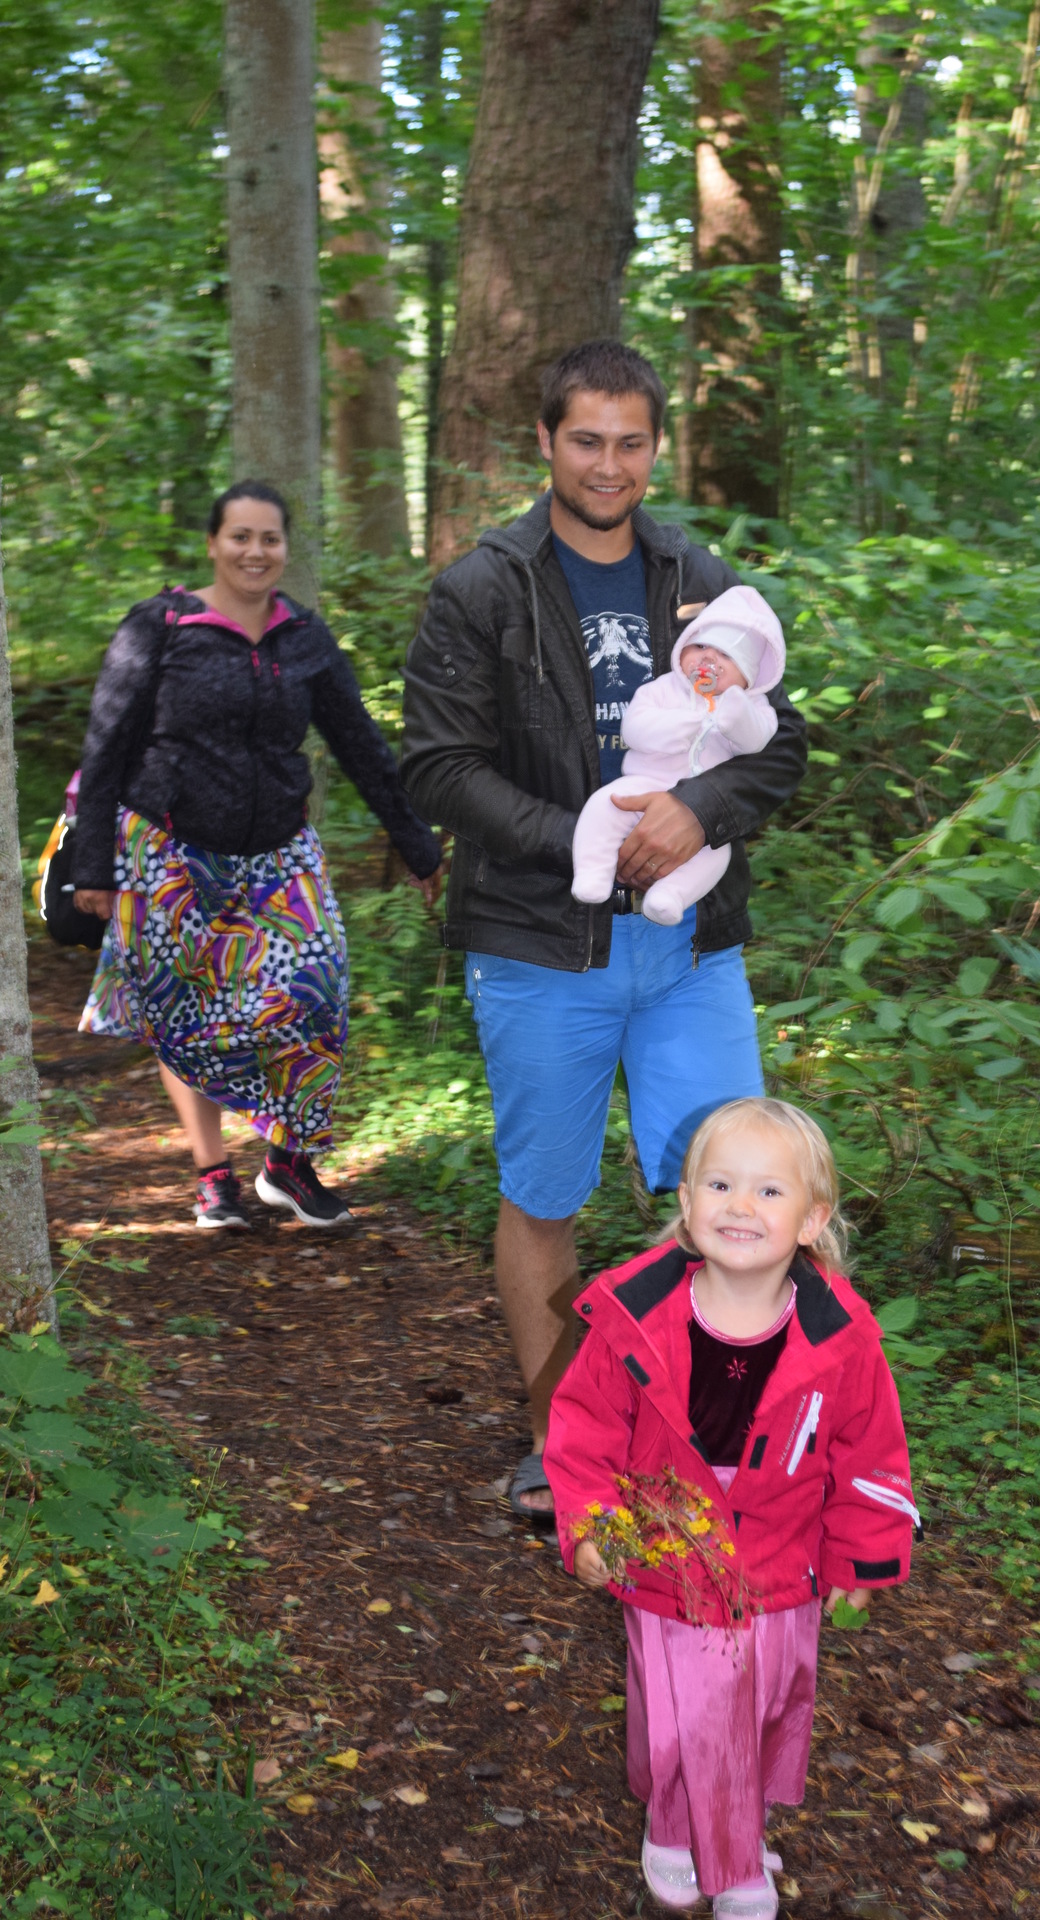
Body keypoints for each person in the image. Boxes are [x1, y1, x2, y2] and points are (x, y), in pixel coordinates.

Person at [401, 340, 807, 1519]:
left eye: (632, 442)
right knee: (546, 1195)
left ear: (657, 448)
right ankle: (559, 1442)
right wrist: (589, 839)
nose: (609, 465)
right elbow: (437, 765)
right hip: (539, 944)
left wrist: (698, 814)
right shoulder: (484, 587)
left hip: (690, 952)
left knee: (740, 1192)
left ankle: (714, 1438)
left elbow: (780, 741)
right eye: (587, 440)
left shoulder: (700, 578)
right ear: (546, 441)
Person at [544, 1097, 918, 1918]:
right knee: (696, 1708)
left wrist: (863, 1556)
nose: (739, 1206)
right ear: (686, 1203)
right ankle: (729, 1860)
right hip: (668, 1547)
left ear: (812, 1220)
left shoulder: (838, 1337)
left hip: (781, 1552)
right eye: (719, 1185)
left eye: (768, 1191)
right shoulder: (634, 1320)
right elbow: (582, 1434)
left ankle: (687, 1821)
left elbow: (870, 1453)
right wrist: (593, 1528)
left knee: (758, 1703)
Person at [72, 480, 441, 1231]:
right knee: (183, 1011)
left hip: (279, 852)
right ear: (213, 543)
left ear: (285, 548)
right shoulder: (160, 626)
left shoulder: (303, 637)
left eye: (269, 538)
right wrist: (91, 864)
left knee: (316, 988)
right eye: (240, 536)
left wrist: (416, 842)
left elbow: (359, 744)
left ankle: (287, 1163)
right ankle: (213, 1176)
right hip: (169, 853)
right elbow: (106, 745)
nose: (255, 551)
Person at [571, 584, 784, 926]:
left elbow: (756, 741)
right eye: (700, 645)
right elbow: (635, 729)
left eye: (726, 655)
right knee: (603, 806)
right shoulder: (662, 689)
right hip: (643, 785)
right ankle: (592, 872)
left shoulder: (754, 706)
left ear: (749, 676)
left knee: (717, 855)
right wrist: (688, 724)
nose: (708, 658)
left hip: (701, 811)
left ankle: (670, 896)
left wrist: (736, 713)